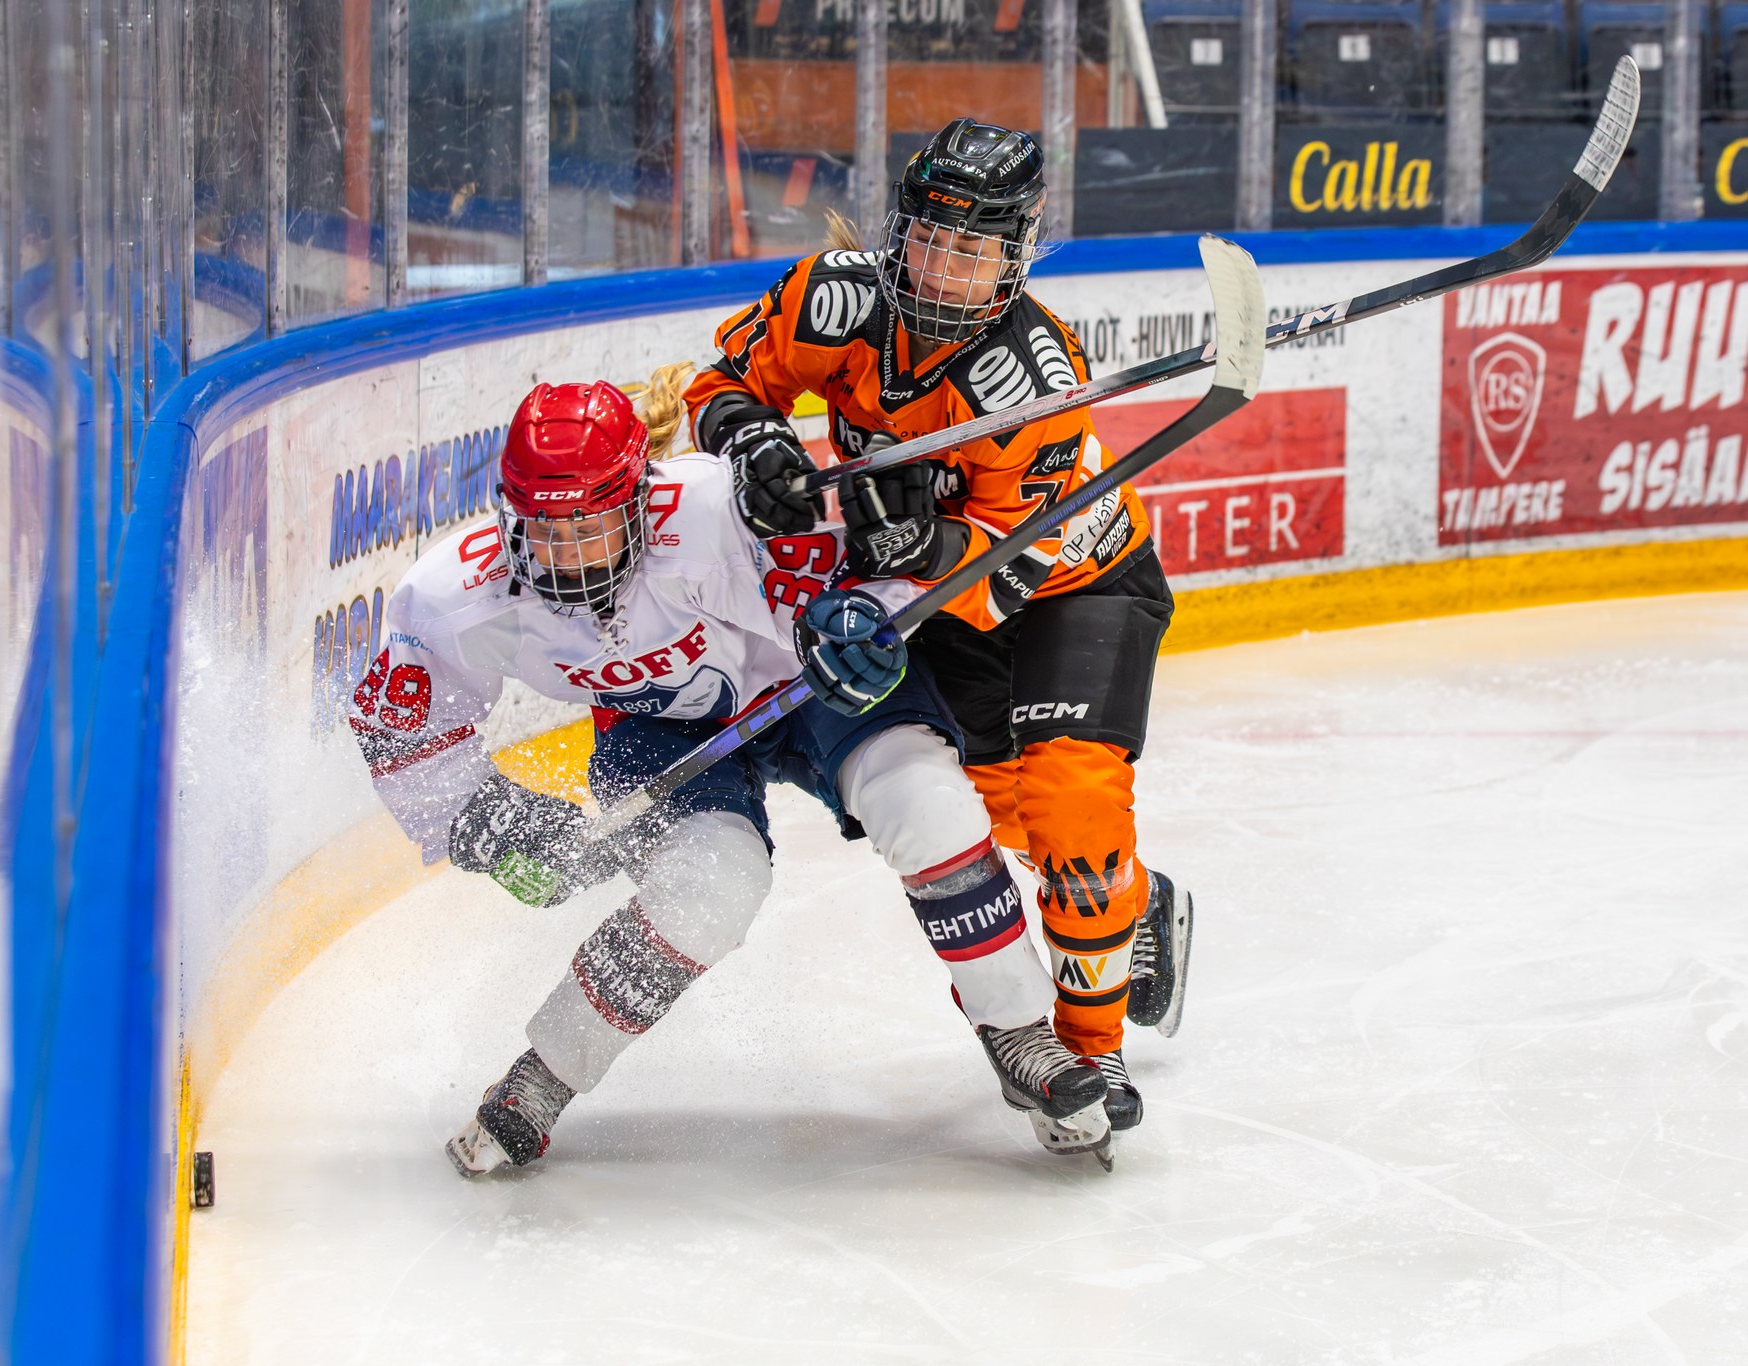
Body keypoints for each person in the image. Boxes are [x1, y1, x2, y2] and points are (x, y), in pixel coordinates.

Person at [347, 374, 1114, 1177]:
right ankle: (545, 1074)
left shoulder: (715, 509)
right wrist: (485, 821)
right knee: (710, 887)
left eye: (590, 527)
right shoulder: (456, 595)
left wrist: (860, 617)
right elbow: (400, 731)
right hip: (655, 728)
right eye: (545, 530)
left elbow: (872, 553)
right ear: (510, 514)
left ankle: (1019, 1029)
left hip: (809, 686)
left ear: (639, 502)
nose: (567, 557)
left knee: (926, 802)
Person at [681, 118, 1195, 1151]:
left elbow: (1010, 576)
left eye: (973, 249)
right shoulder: (833, 300)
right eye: (929, 238)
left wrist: (929, 536)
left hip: (1076, 587)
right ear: (899, 228)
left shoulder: (1034, 377)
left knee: (1074, 816)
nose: (944, 267)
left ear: (1016, 254)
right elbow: (715, 384)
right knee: (993, 814)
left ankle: (1089, 1048)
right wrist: (756, 440)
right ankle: (1139, 907)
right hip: (930, 603)